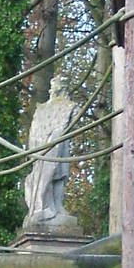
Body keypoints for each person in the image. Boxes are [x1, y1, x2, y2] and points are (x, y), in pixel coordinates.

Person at [21, 73, 82, 236]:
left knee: (60, 175)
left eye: (56, 86)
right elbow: (34, 132)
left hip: (60, 147)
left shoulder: (70, 106)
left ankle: (57, 206)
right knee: (45, 176)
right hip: (42, 149)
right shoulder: (42, 109)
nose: (53, 89)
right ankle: (45, 207)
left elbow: (75, 125)